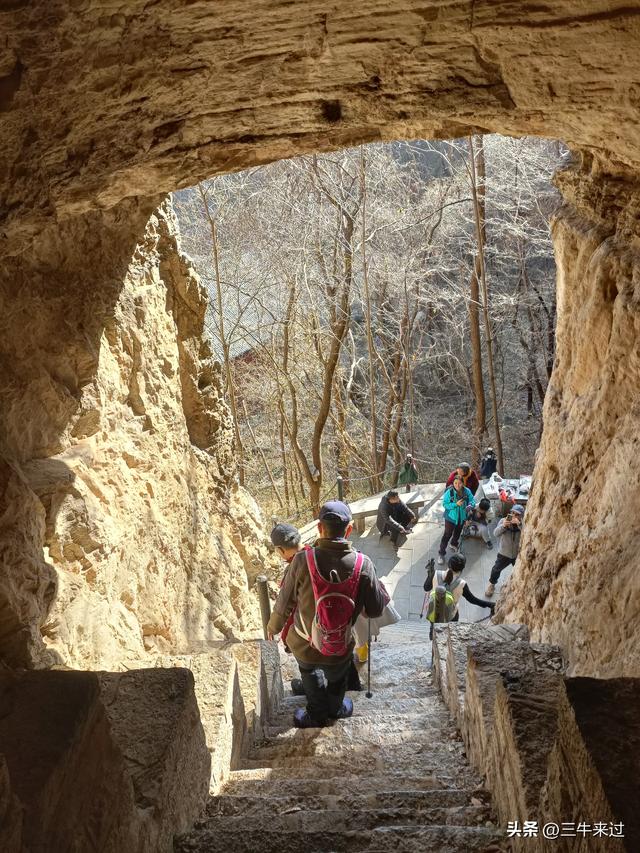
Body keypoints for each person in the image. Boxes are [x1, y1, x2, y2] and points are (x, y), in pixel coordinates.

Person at [267, 501, 387, 728]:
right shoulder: (364, 564)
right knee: (337, 675)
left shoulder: (303, 560)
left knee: (308, 671)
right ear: (349, 529)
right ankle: (336, 707)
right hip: (339, 644)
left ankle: (315, 713)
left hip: (303, 642)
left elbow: (284, 603)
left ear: (320, 528)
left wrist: (272, 627)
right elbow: (375, 610)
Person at [270, 522, 362, 694]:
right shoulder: (317, 555)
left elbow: (287, 606)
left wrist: (279, 631)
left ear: (280, 550)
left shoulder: (297, 565)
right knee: (340, 654)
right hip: (340, 624)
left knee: (310, 661)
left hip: (310, 628)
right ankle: (353, 686)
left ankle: (312, 693)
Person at [428, 553, 494, 638]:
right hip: (451, 616)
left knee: (434, 626)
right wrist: (490, 605)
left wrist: (430, 574)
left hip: (434, 612)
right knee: (450, 632)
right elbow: (472, 600)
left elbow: (426, 587)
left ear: (448, 563)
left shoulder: (436, 573)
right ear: (462, 569)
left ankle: (432, 634)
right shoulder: (462, 584)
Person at [485, 504, 524, 596]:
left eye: (517, 514)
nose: (514, 515)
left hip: (517, 554)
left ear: (521, 516)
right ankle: (492, 585)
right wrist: (503, 526)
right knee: (496, 570)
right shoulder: (503, 520)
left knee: (519, 571)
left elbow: (528, 534)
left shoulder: (523, 523)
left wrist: (519, 525)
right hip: (504, 553)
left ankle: (517, 586)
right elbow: (495, 533)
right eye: (512, 513)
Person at [438, 476, 475, 564]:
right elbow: (445, 504)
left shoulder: (467, 491)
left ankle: (454, 544)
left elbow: (472, 500)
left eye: (460, 483)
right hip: (451, 517)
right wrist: (455, 504)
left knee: (458, 532)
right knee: (447, 534)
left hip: (462, 516)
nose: (457, 485)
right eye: (455, 483)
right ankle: (441, 553)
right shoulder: (449, 492)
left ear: (463, 483)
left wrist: (470, 505)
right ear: (453, 483)